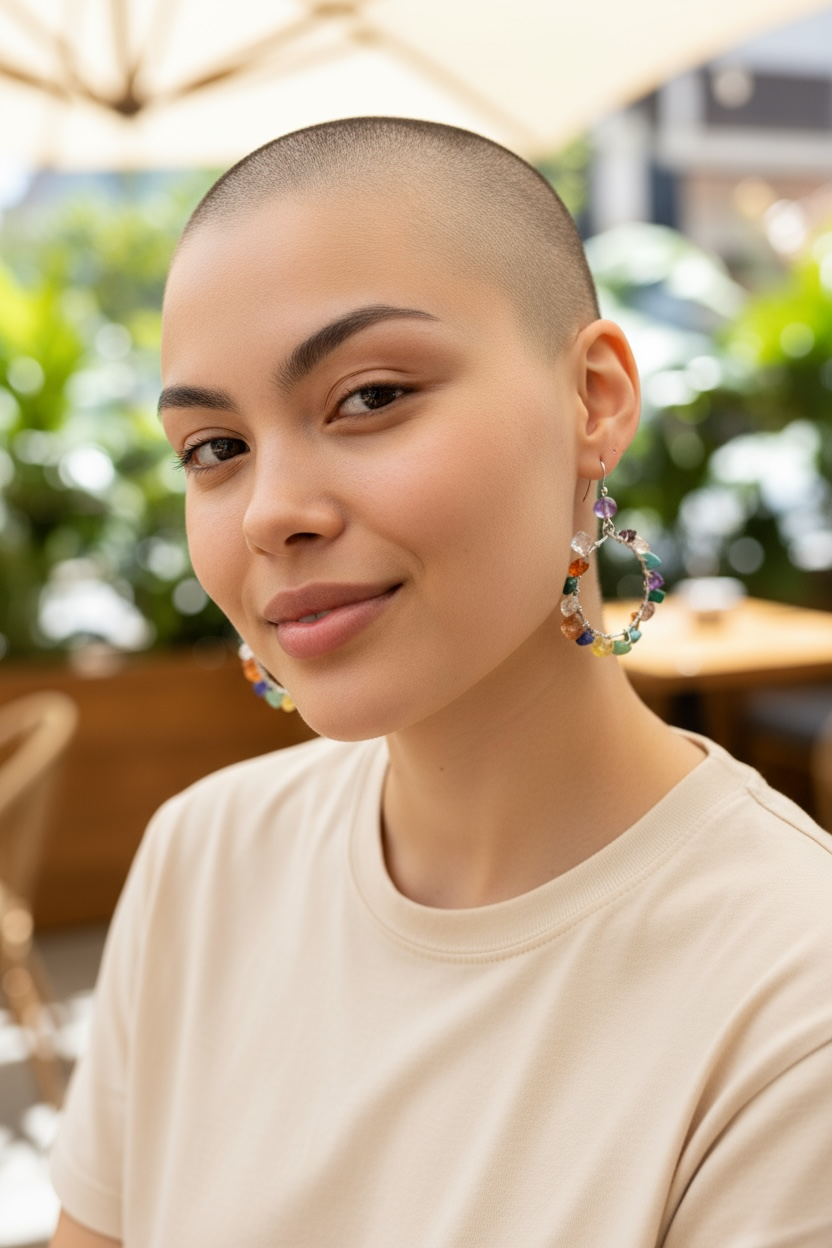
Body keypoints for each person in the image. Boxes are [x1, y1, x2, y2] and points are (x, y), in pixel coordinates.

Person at [50, 118, 832, 1248]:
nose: (271, 512)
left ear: (594, 401)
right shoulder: (202, 858)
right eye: (215, 448)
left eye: (369, 397)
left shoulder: (791, 1007)